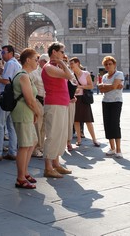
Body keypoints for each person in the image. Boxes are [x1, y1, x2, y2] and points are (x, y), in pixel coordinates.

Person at [42, 42, 73, 178]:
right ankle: (48, 167)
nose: (63, 54)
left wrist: (60, 62)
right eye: (61, 51)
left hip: (61, 103)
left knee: (61, 134)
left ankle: (56, 163)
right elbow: (69, 75)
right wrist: (62, 62)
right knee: (53, 134)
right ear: (54, 52)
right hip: (54, 104)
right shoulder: (48, 67)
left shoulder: (55, 67)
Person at [12, 48, 41, 189]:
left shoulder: (26, 75)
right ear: (28, 60)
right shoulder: (23, 75)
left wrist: (34, 113)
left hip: (27, 113)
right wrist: (38, 112)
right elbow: (29, 99)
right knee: (24, 145)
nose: (37, 62)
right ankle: (20, 178)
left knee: (32, 142)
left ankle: (24, 172)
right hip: (23, 113)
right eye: (36, 59)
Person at [69, 57, 99, 147]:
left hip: (84, 99)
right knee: (76, 120)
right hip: (76, 99)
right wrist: (75, 91)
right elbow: (70, 89)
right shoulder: (71, 75)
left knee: (88, 120)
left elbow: (91, 86)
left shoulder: (86, 74)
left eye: (72, 63)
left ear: (77, 63)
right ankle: (79, 139)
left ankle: (94, 139)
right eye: (70, 64)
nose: (70, 66)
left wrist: (81, 87)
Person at [98, 56, 124, 158]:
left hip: (116, 101)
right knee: (107, 124)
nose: (108, 66)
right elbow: (102, 90)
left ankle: (118, 149)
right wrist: (111, 86)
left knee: (115, 124)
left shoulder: (119, 74)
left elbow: (111, 87)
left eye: (110, 64)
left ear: (114, 65)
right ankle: (112, 148)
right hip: (105, 101)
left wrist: (104, 86)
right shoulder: (104, 76)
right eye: (106, 64)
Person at [29, 53, 48, 158]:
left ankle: (41, 147)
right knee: (37, 125)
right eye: (44, 61)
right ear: (40, 61)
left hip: (47, 101)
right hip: (38, 100)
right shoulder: (34, 73)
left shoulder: (49, 72)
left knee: (44, 127)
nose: (46, 63)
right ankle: (35, 148)